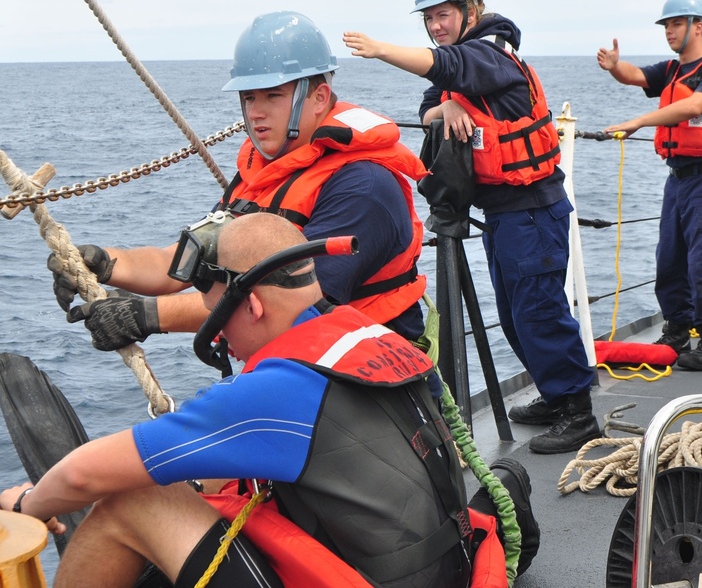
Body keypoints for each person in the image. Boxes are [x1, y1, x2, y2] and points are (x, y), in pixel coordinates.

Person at [5, 213, 537, 588]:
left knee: (130, 501)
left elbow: (83, 477)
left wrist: (29, 505)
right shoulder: (375, 339)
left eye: (216, 315)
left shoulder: (278, 391)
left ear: (253, 305)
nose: (218, 337)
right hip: (448, 570)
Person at [48, 11, 429, 352]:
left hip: (369, 382)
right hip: (297, 369)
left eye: (272, 96)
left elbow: (288, 305)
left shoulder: (363, 187)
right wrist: (106, 264)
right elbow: (181, 261)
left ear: (319, 98)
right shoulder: (266, 173)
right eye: (248, 97)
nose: (256, 112)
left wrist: (148, 315)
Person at [342, 0, 600, 454]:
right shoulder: (463, 60)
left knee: (539, 312)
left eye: (444, 15)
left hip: (532, 210)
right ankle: (556, 394)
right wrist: (449, 107)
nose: (436, 26)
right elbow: (430, 100)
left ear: (471, 10)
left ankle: (578, 412)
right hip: (505, 214)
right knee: (515, 314)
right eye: (429, 19)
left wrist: (380, 51)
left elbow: (451, 70)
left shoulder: (491, 53)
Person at [597, 0, 702, 371]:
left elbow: (695, 106)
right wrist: (614, 67)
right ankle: (677, 328)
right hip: (678, 180)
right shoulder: (672, 70)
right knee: (670, 260)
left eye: (676, 23)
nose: (669, 31)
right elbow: (636, 76)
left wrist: (639, 121)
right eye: (666, 25)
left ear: (699, 26)